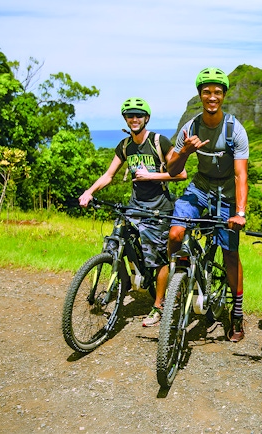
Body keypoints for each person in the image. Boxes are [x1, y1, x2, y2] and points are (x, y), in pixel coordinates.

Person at [79, 97, 187, 327]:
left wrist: (151, 176)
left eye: (138, 115)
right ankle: (126, 281)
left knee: (158, 258)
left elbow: (181, 174)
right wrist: (89, 192)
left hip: (159, 207)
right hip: (135, 205)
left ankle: (158, 305)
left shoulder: (159, 141)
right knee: (117, 241)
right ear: (125, 120)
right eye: (130, 116)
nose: (134, 119)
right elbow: (109, 175)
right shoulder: (125, 145)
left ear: (146, 118)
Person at [167, 67, 249, 342]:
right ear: (200, 95)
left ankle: (236, 315)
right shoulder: (190, 128)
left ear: (223, 96)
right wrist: (184, 151)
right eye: (206, 92)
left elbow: (240, 175)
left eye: (217, 92)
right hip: (199, 189)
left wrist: (239, 212)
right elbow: (171, 167)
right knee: (175, 234)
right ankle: (176, 291)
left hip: (226, 193)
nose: (211, 97)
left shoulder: (235, 130)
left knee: (229, 254)